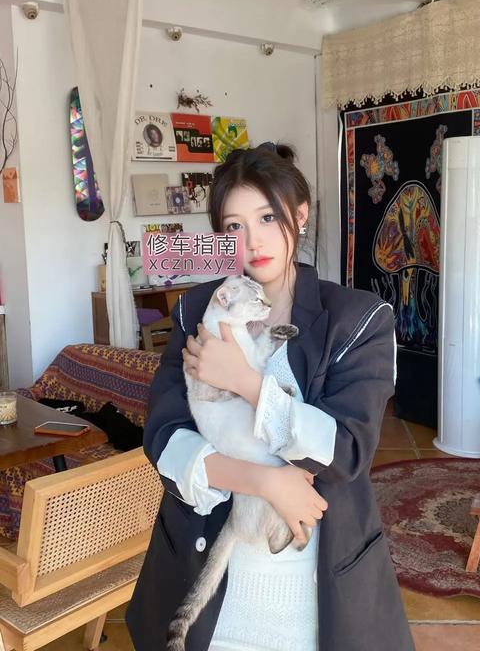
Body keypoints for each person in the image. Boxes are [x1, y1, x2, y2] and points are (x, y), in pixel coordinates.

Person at [126, 143, 414, 651]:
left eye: (266, 217)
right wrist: (266, 482)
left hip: (315, 590)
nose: (252, 241)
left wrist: (246, 381)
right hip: (210, 582)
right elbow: (164, 438)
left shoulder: (358, 319)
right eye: (234, 226)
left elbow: (345, 452)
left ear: (299, 214)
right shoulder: (198, 308)